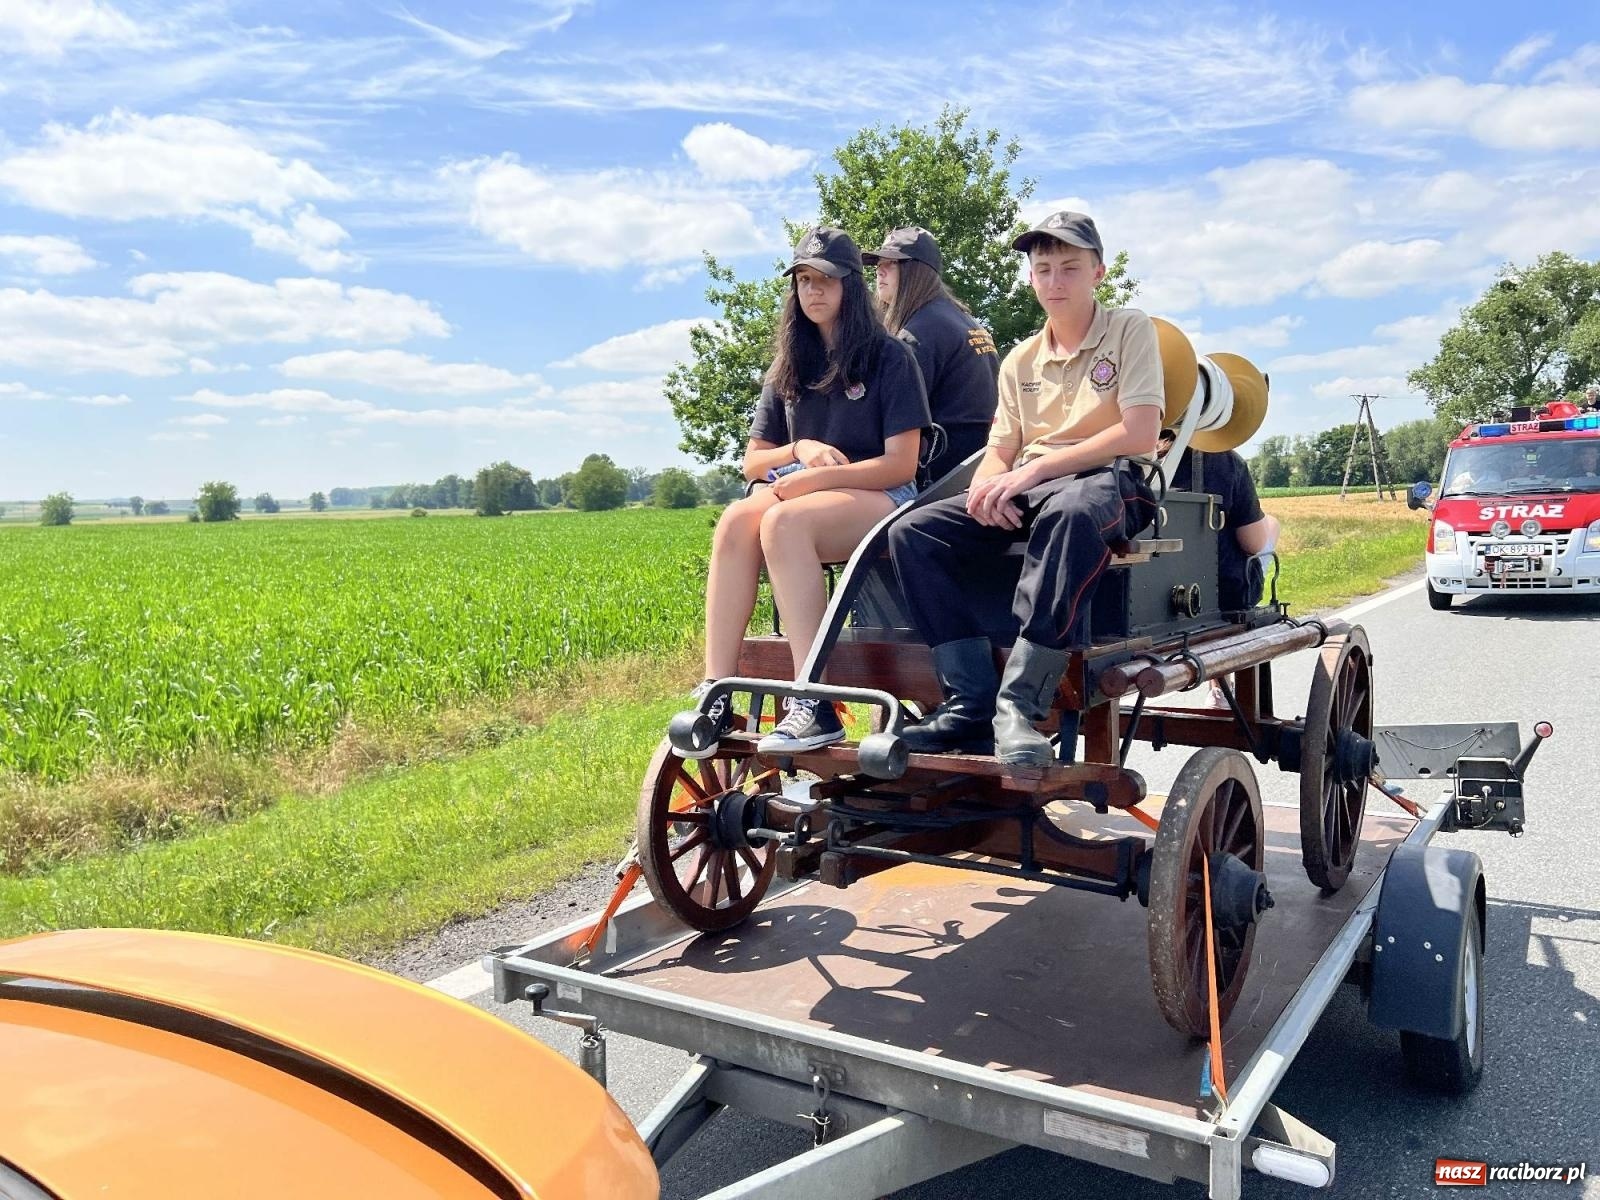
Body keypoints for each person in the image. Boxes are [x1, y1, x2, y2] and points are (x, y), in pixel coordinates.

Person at [888, 211, 1162, 765]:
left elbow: (1139, 431)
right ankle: (968, 703)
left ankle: (1019, 707)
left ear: (1098, 273)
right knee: (913, 532)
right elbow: (1000, 449)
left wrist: (1035, 471)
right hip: (1034, 485)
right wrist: (986, 491)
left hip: (1112, 480)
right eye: (1044, 270)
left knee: (1072, 512)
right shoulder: (1019, 359)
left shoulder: (1131, 329)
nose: (1056, 282)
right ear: (1032, 278)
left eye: (1070, 268)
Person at [694, 226, 929, 755]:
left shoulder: (890, 358)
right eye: (802, 279)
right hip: (801, 491)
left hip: (884, 497)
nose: (813, 290)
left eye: (825, 279)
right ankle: (716, 689)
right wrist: (798, 450)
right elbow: (753, 460)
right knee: (736, 518)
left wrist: (819, 477)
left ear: (851, 287)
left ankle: (814, 702)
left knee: (784, 522)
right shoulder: (787, 366)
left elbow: (900, 464)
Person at [862, 227, 999, 483]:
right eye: (879, 264)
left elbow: (878, 425)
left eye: (891, 263)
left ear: (917, 271)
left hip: (936, 478)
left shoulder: (916, 335)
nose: (879, 270)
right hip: (972, 468)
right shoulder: (963, 320)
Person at [1157, 429, 1280, 707]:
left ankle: (1218, 686)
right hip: (1224, 592)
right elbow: (1253, 543)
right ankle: (1220, 687)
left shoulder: (1130, 458)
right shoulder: (1226, 461)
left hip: (1148, 597)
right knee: (1270, 525)